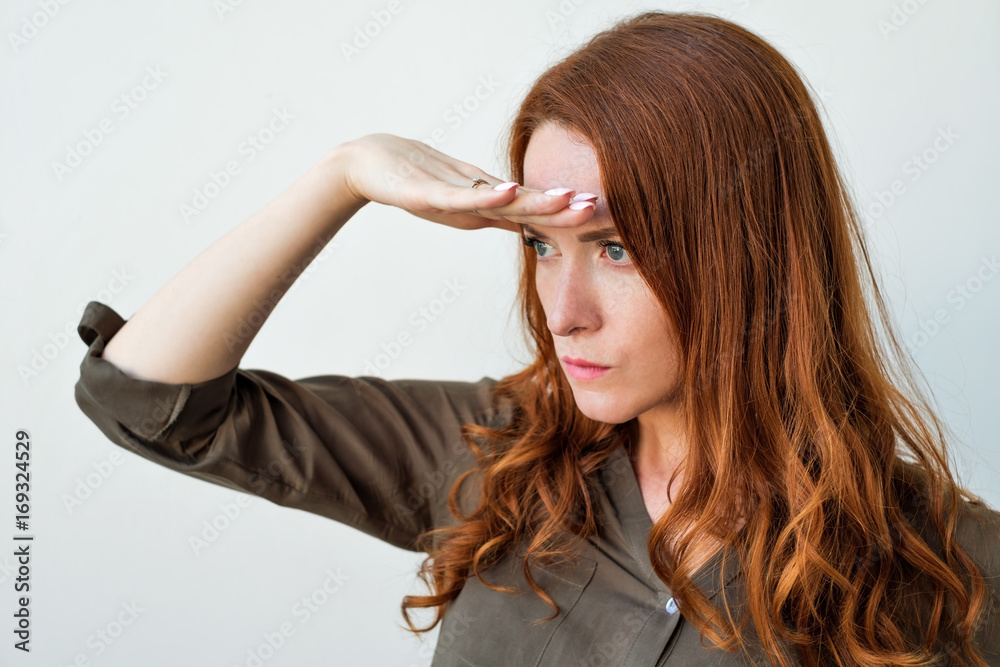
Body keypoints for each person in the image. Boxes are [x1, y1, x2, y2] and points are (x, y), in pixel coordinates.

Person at [73, 10, 999, 667]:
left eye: (618, 248)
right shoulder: (494, 451)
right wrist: (342, 175)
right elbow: (149, 401)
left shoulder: (952, 564)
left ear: (752, 253)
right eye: (540, 245)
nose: (564, 312)